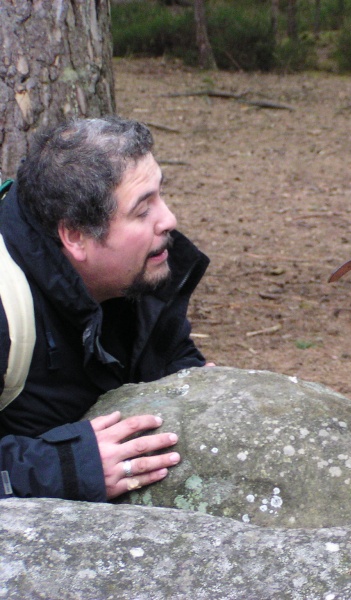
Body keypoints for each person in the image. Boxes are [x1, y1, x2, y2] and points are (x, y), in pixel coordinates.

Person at [0, 116, 211, 502]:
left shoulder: (140, 269)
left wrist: (195, 382)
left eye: (160, 194)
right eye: (142, 209)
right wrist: (61, 469)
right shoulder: (6, 304)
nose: (169, 219)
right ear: (76, 236)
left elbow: (167, 351)